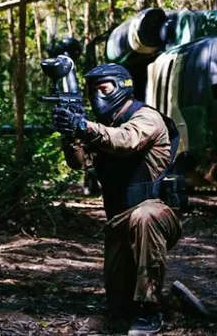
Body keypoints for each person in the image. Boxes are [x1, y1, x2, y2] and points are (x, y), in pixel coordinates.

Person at [52, 63, 181, 336]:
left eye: (103, 89)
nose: (97, 96)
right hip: (118, 219)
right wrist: (70, 134)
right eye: (93, 91)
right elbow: (78, 163)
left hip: (156, 213)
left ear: (122, 87)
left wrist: (83, 126)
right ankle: (171, 299)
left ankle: (151, 312)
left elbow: (125, 142)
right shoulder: (103, 126)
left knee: (144, 217)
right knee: (118, 307)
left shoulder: (146, 117)